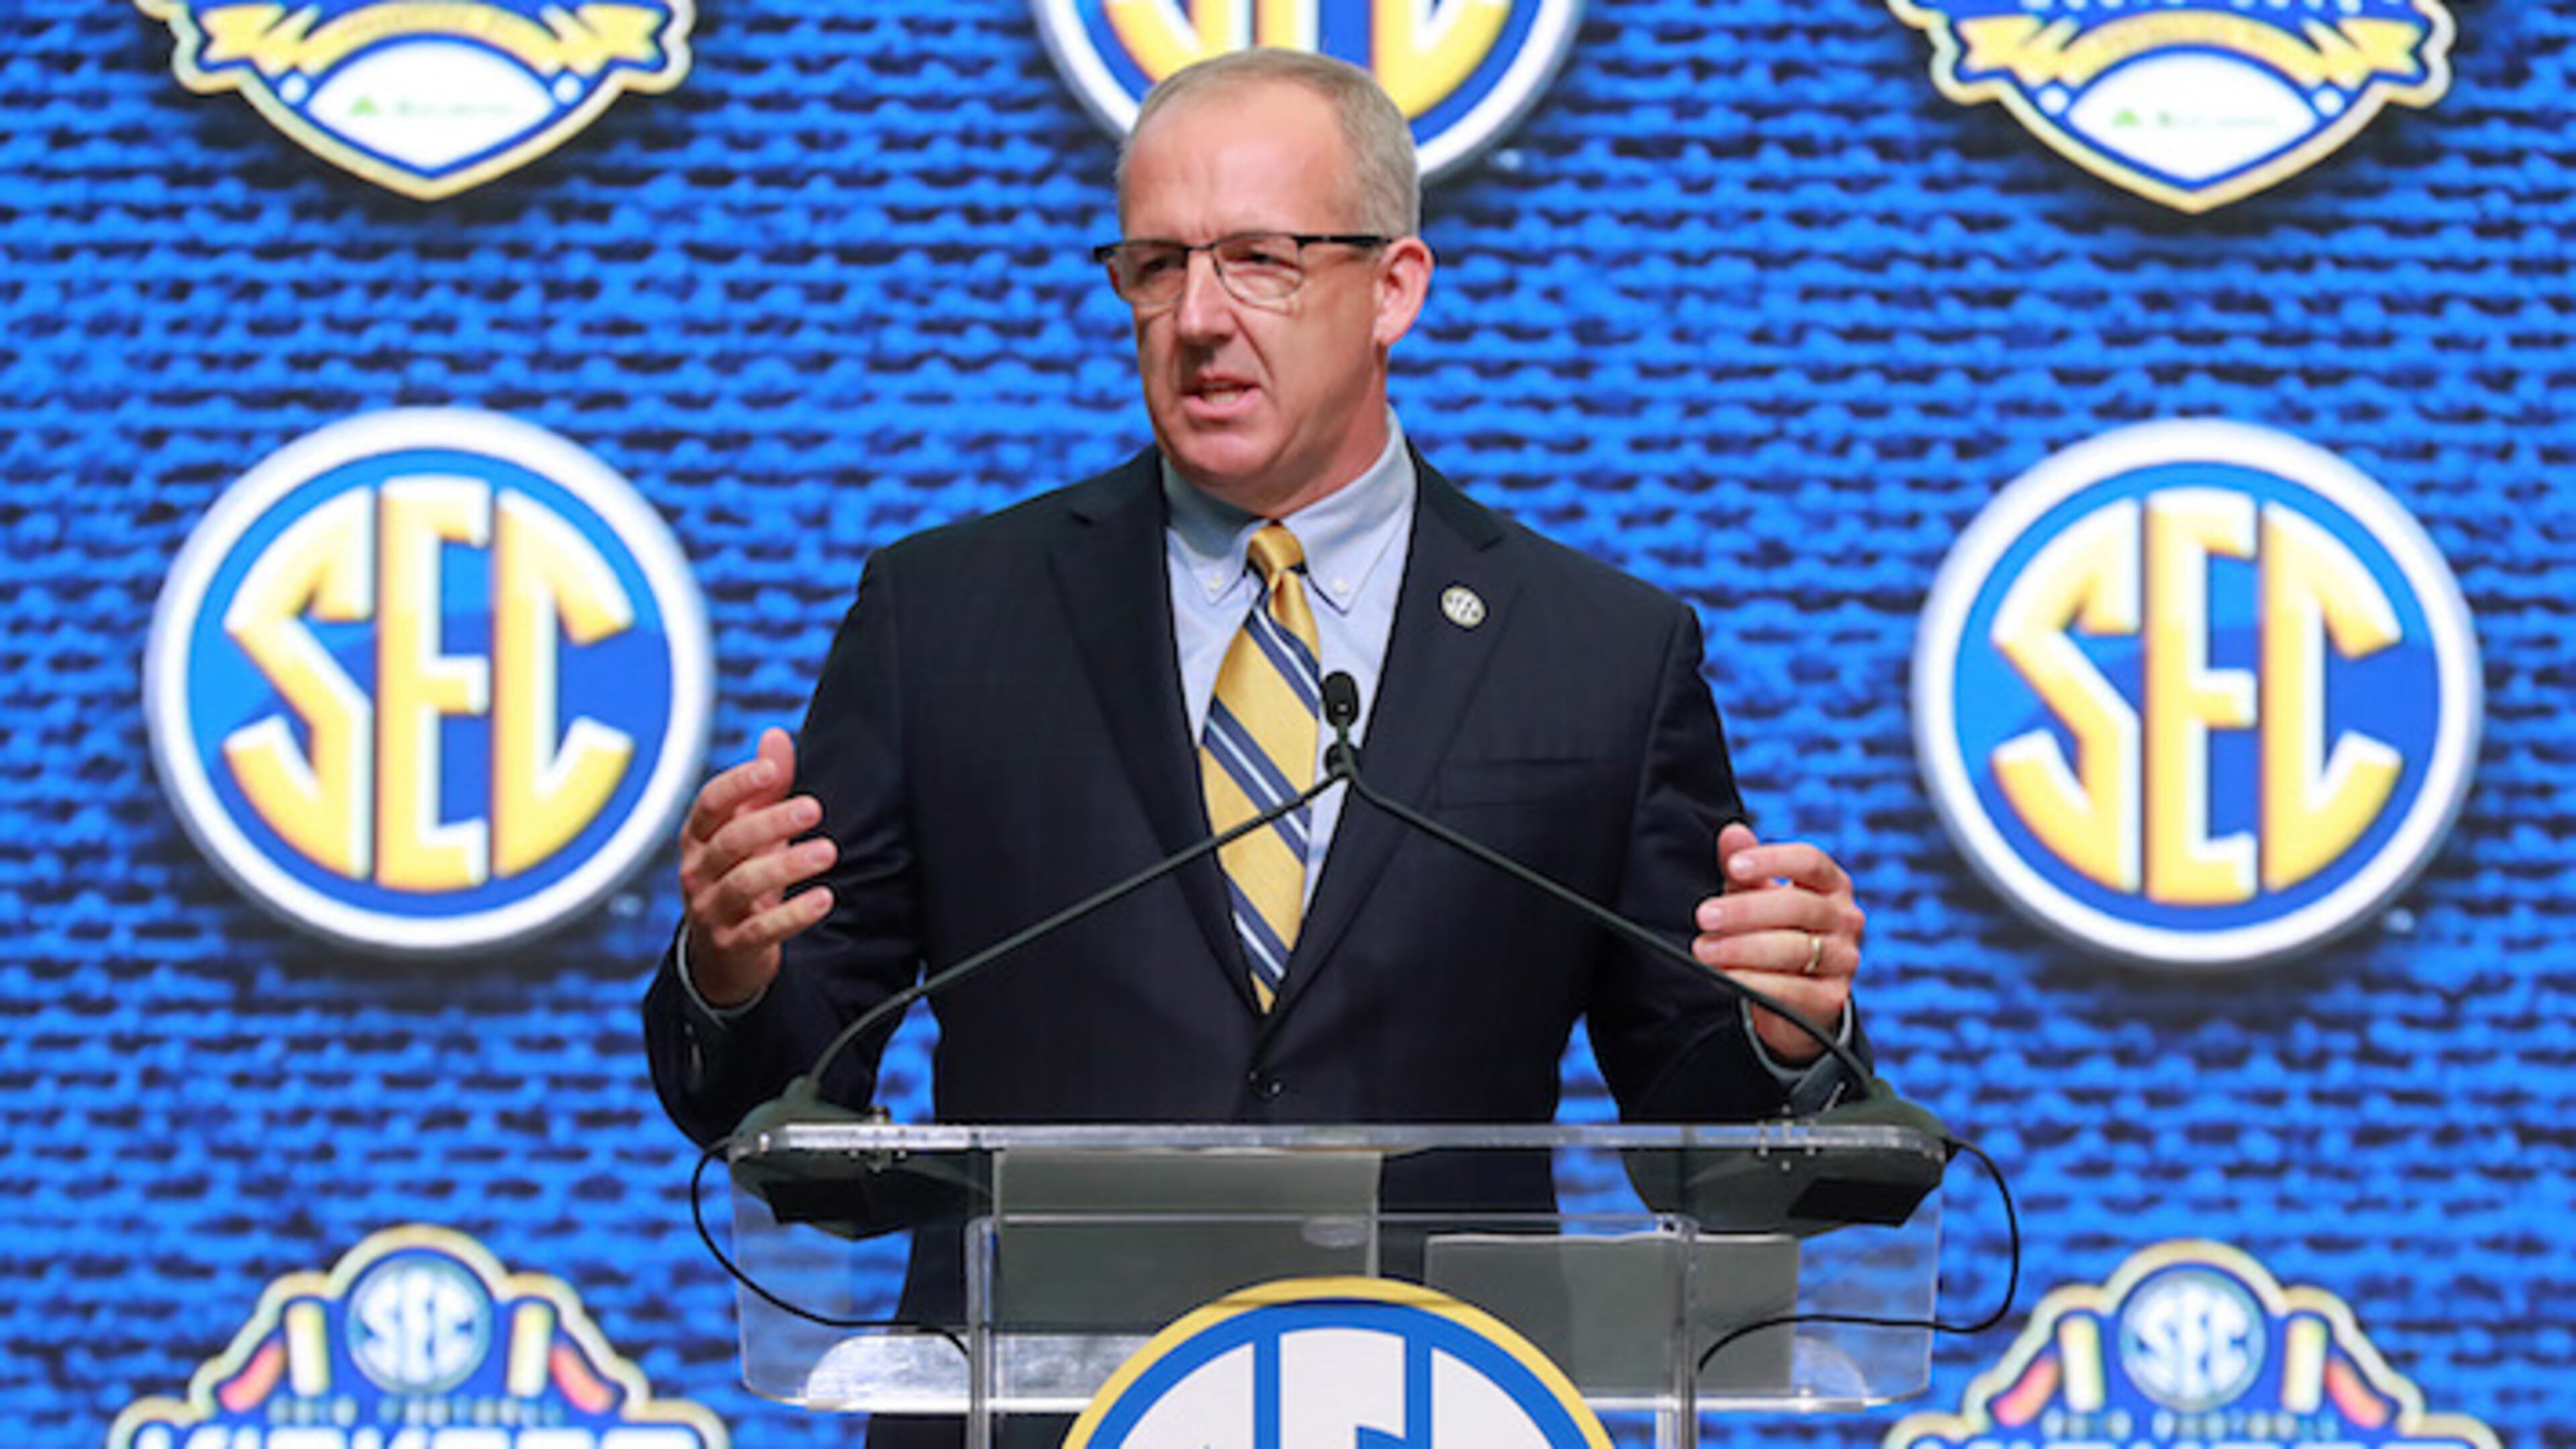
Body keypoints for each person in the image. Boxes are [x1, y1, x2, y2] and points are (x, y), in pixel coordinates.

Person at [645, 37, 1864, 1334]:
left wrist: (1784, 1041)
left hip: (1438, 1402)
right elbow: (788, 1094)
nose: (1198, 317)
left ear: (1393, 288)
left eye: (1260, 261)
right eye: (1156, 266)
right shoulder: (945, 620)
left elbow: (1703, 1138)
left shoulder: (1599, 650)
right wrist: (733, 975)